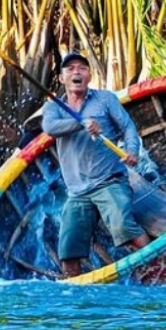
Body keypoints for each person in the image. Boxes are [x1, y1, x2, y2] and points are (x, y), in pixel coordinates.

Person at [41, 52, 150, 277]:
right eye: (70, 69)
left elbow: (128, 127)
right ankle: (78, 301)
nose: (76, 72)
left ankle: (161, 270)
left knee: (122, 227)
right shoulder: (54, 108)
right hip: (77, 191)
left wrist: (132, 151)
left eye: (82, 68)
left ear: (89, 75)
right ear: (62, 79)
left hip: (109, 180)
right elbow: (50, 128)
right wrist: (81, 123)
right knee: (68, 253)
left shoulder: (105, 99)